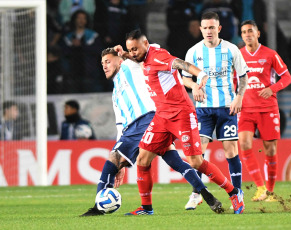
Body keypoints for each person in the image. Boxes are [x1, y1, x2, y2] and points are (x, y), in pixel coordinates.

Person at [115, 29, 245, 215]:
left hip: (181, 115)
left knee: (196, 161)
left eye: (135, 49)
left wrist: (199, 75)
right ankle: (146, 208)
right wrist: (124, 53)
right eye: (130, 49)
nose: (133, 53)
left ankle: (234, 193)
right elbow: (136, 57)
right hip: (162, 116)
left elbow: (179, 63)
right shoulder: (142, 56)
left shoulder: (158, 57)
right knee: (142, 159)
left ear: (146, 44)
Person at [81, 47, 222, 216]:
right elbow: (120, 124)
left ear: (119, 60)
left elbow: (147, 52)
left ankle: (98, 207)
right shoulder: (115, 93)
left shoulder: (129, 66)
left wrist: (126, 53)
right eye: (102, 63)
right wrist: (122, 157)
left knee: (113, 159)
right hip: (140, 125)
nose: (104, 66)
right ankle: (205, 194)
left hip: (144, 119)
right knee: (174, 160)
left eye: (108, 61)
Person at [182, 11, 249, 210]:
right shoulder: (193, 52)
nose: (209, 31)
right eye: (205, 28)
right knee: (197, 155)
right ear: (200, 29)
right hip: (203, 109)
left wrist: (239, 96)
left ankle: (237, 193)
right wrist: (194, 86)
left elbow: (243, 76)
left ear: (219, 28)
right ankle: (197, 193)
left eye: (212, 27)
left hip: (227, 108)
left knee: (230, 151)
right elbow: (185, 77)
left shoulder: (231, 49)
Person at [239, 20, 291, 202]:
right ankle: (260, 188)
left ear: (258, 33)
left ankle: (270, 192)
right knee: (244, 143)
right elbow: (233, 81)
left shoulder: (270, 54)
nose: (247, 34)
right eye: (244, 32)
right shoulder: (238, 56)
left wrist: (273, 88)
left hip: (267, 108)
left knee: (269, 149)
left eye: (250, 31)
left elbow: (287, 77)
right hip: (245, 109)